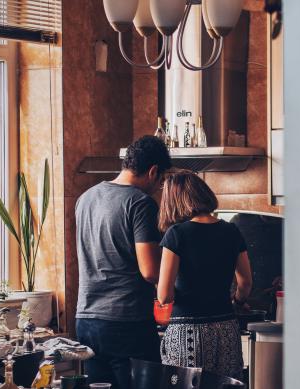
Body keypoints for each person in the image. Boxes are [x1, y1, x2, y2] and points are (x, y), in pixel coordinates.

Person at [75, 136, 171, 388]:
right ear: (153, 171)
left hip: (86, 320)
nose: (158, 186)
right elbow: (150, 271)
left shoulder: (85, 198)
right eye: (161, 180)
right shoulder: (140, 203)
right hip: (126, 322)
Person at [156, 171, 253, 379]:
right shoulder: (231, 231)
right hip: (226, 328)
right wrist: (237, 302)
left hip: (187, 332)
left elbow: (164, 295)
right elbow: (245, 282)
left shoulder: (176, 234)